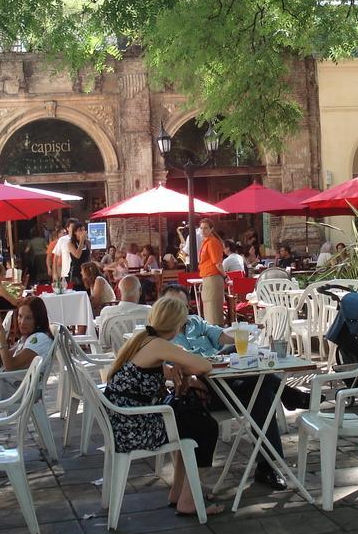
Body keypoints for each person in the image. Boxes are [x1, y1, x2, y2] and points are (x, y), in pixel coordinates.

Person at [160, 286, 308, 489]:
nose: (179, 312)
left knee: (260, 391)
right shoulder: (161, 335)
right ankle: (288, 394)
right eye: (173, 306)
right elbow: (158, 366)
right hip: (201, 393)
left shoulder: (195, 322)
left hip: (224, 380)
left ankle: (267, 467)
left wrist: (245, 334)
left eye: (182, 306)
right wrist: (176, 366)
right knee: (260, 387)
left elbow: (221, 337)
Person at [104, 297, 223, 517]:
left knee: (189, 416)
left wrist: (177, 361)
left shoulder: (144, 340)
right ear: (178, 325)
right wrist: (181, 360)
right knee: (205, 427)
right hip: (135, 428)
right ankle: (188, 500)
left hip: (124, 422)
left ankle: (180, 492)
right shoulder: (158, 345)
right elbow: (204, 365)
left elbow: (158, 373)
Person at [197, 218, 226, 325]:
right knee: (208, 307)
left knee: (213, 309)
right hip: (207, 277)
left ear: (211, 229)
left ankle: (215, 335)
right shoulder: (206, 242)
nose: (203, 231)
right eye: (201, 228)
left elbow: (217, 263)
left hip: (213, 277)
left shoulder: (213, 242)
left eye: (206, 228)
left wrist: (224, 276)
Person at [48, 220, 76, 285]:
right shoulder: (63, 240)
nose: (74, 229)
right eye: (72, 227)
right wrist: (54, 272)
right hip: (63, 268)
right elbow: (56, 256)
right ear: (68, 228)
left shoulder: (80, 239)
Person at [68, 224, 91, 290]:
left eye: (84, 230)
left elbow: (89, 257)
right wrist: (81, 241)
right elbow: (77, 255)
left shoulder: (88, 242)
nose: (82, 232)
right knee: (78, 289)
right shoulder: (70, 243)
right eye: (80, 230)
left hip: (87, 271)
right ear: (75, 232)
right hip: (77, 271)